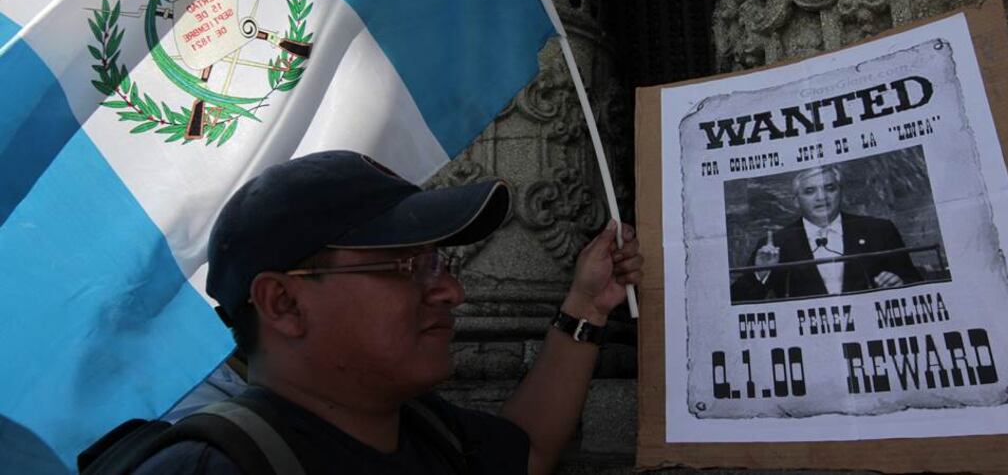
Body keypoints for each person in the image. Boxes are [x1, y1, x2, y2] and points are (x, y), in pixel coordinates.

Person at [132, 150, 641, 474]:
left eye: (439, 262)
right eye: (407, 266)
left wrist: (587, 304)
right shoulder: (214, 467)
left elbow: (524, 453)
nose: (451, 292)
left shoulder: (426, 430)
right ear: (284, 304)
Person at [730, 164, 920, 303]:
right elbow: (738, 301)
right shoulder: (775, 244)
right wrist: (761, 272)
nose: (821, 197)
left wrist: (899, 283)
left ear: (840, 192)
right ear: (796, 201)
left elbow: (915, 282)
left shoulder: (880, 230)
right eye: (810, 191)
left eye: (829, 188)